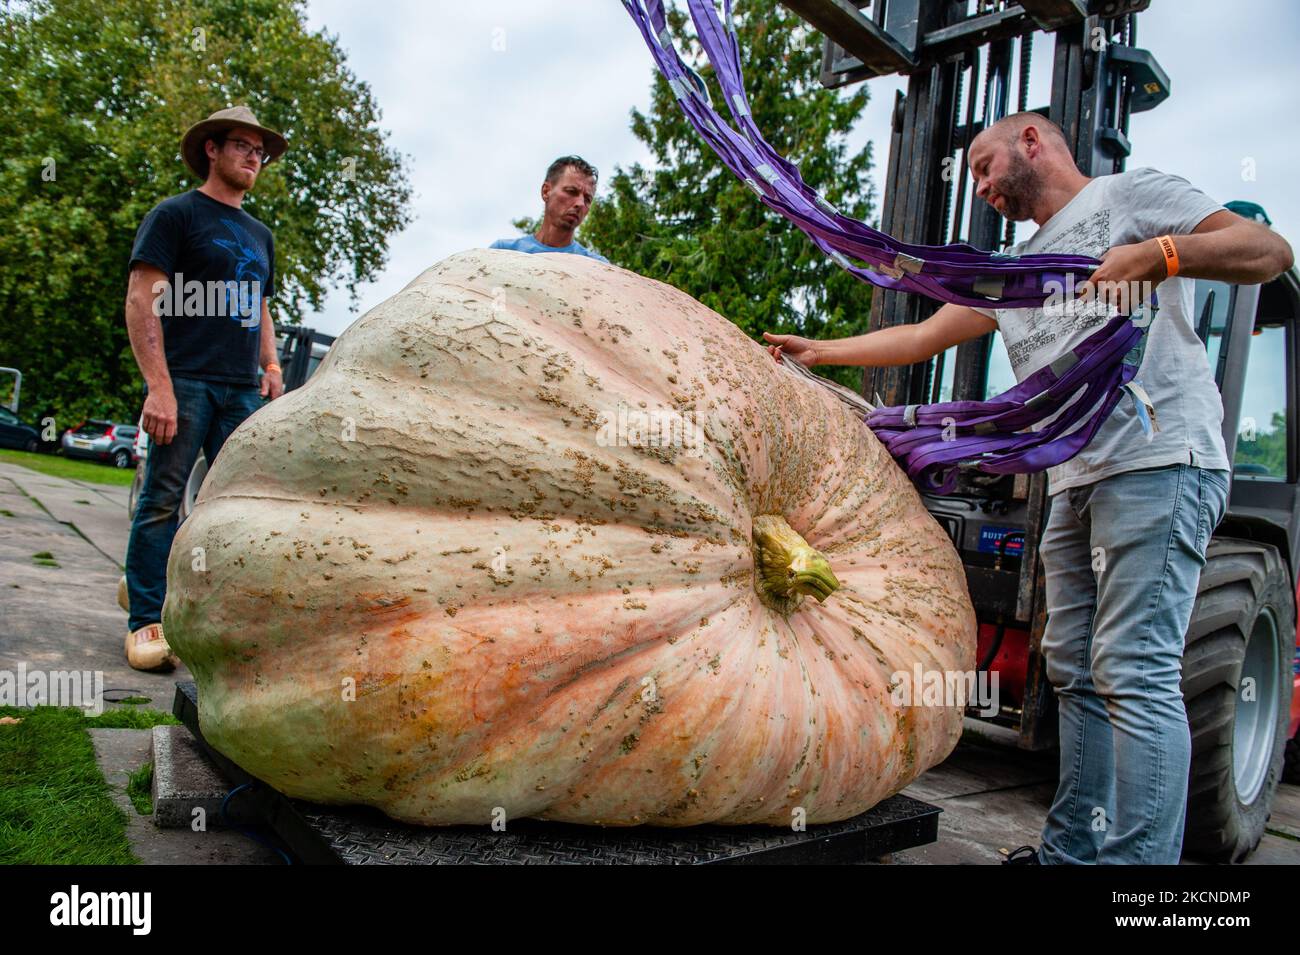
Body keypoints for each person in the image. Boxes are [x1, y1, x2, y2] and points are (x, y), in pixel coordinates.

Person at [764, 112, 1294, 865]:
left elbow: (1270, 251)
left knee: (1132, 668)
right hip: (1075, 479)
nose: (979, 188)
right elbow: (919, 337)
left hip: (1158, 462)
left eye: (983, 167)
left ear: (1033, 142)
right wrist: (819, 350)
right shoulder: (1016, 274)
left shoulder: (1129, 198)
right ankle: (1073, 851)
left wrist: (1161, 254)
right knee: (1074, 666)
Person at [121, 105, 289, 671]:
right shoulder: (176, 216)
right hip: (185, 382)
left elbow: (260, 304)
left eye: (259, 151)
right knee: (161, 501)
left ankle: (208, 618)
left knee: (235, 510)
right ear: (212, 150)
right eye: (241, 145)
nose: (252, 157)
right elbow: (143, 297)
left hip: (241, 392)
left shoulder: (260, 234)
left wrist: (270, 366)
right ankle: (145, 618)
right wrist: (158, 388)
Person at [490, 156, 609, 262]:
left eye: (587, 199)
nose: (580, 203)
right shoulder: (502, 252)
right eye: (571, 192)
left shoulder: (597, 266)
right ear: (546, 191)